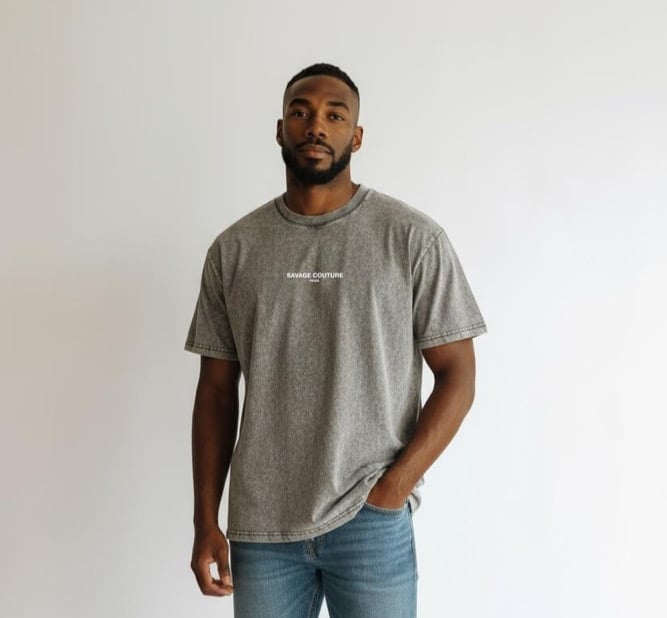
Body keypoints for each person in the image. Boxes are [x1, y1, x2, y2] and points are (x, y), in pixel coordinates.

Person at [185, 62, 487, 618]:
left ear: (357, 135)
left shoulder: (411, 238)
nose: (316, 126)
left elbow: (458, 375)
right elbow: (216, 392)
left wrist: (394, 488)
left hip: (369, 520)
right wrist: (206, 520)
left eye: (334, 115)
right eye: (301, 112)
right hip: (263, 529)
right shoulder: (234, 250)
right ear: (280, 130)